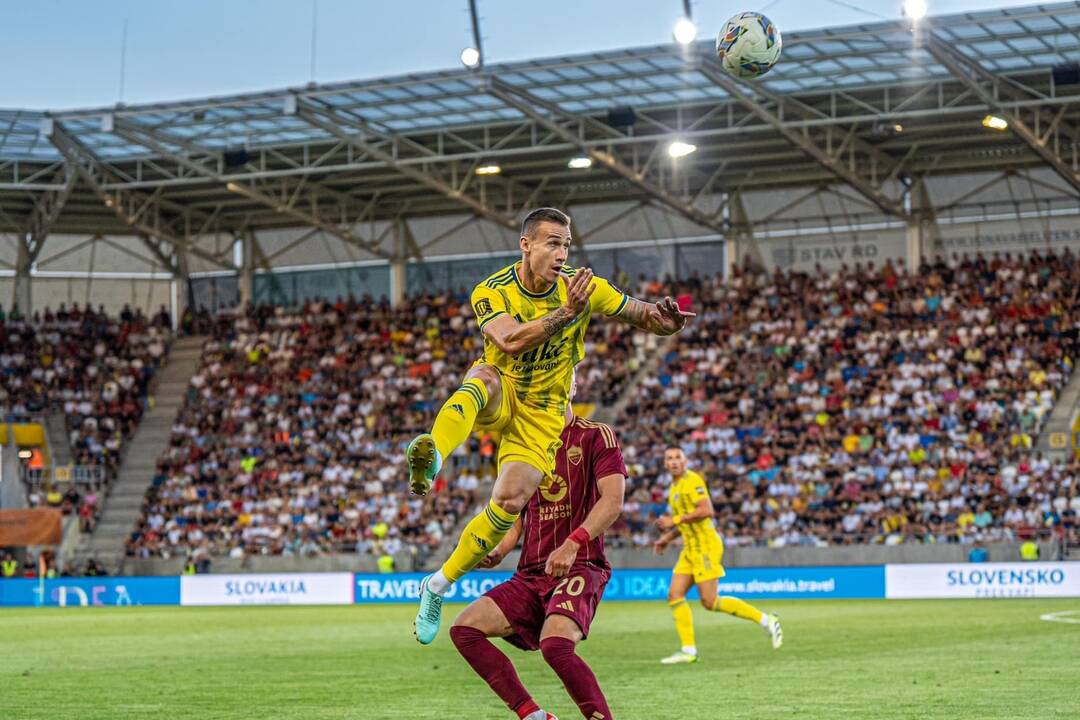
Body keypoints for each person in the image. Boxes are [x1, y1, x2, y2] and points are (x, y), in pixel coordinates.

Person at [409, 206, 694, 644]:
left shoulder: (584, 287)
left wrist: (667, 323)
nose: (562, 253)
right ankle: (433, 457)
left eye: (566, 244)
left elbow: (644, 314)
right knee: (481, 378)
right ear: (526, 245)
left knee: (508, 501)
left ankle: (437, 585)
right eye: (552, 243)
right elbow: (508, 340)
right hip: (504, 386)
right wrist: (565, 314)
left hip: (544, 413)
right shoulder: (492, 290)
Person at [451, 384, 626, 720]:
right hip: (530, 573)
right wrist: (499, 549)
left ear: (572, 386)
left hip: (580, 565)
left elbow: (613, 500)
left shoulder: (596, 435)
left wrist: (574, 542)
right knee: (465, 630)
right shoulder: (523, 446)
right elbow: (516, 511)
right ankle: (532, 714)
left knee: (556, 645)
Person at [654, 447, 782, 664]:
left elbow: (706, 511)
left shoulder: (693, 480)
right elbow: (688, 520)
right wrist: (668, 538)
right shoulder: (674, 487)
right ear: (665, 464)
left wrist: (673, 522)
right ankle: (688, 651)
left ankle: (766, 620)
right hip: (690, 547)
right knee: (675, 594)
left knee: (710, 601)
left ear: (685, 462)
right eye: (670, 458)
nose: (674, 461)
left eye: (678, 457)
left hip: (706, 546)